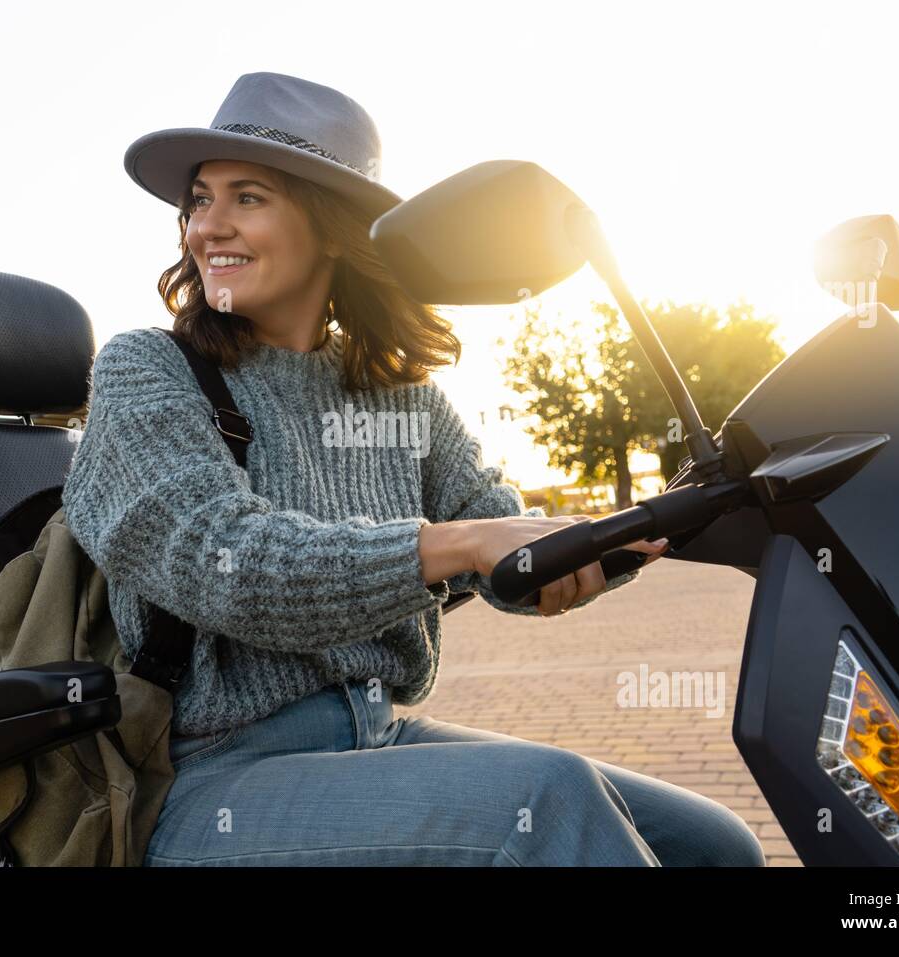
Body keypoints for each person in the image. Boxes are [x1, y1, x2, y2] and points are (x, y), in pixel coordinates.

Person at [62, 72, 766, 866]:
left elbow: (495, 520)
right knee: (550, 800)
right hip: (204, 779)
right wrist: (457, 545)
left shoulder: (402, 397)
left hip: (377, 731)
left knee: (717, 845)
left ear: (330, 227)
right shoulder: (144, 370)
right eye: (199, 199)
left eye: (246, 198)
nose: (205, 227)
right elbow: (231, 561)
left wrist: (613, 539)